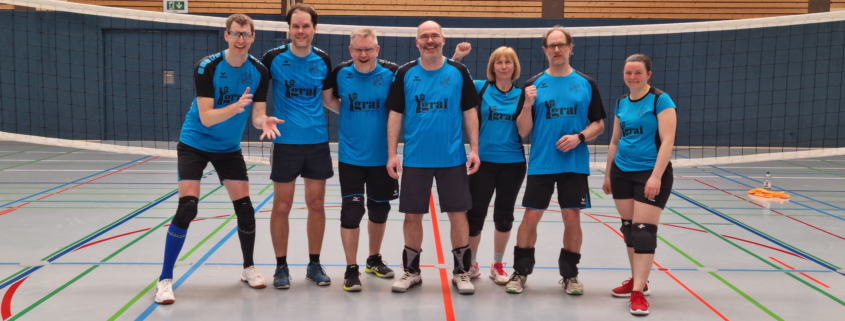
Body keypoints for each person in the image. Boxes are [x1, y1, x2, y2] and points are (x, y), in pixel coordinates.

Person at [154, 13, 281, 304]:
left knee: (246, 209)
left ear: (253, 37)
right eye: (235, 33)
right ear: (226, 35)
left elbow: (258, 112)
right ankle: (165, 279)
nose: (240, 39)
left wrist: (263, 122)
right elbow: (207, 117)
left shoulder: (259, 71)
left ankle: (248, 268)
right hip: (195, 143)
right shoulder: (207, 67)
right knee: (187, 208)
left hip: (227, 148)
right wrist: (235, 108)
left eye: (245, 34)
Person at [506, 25, 606, 295]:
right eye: (552, 46)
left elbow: (599, 124)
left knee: (572, 218)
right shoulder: (532, 84)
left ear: (570, 48)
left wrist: (579, 137)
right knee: (531, 218)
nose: (557, 50)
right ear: (545, 50)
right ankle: (520, 272)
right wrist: (526, 104)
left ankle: (570, 275)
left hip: (574, 164)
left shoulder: (586, 83)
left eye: (562, 45)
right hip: (542, 162)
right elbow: (523, 130)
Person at [385, 20, 481, 294]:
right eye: (424, 36)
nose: (430, 40)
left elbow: (470, 111)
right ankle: (411, 272)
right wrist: (392, 153)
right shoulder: (405, 73)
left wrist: (474, 149)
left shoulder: (459, 71)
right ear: (417, 42)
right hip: (415, 159)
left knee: (458, 215)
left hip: (452, 159)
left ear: (443, 39)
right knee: (412, 216)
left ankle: (461, 272)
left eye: (434, 36)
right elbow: (395, 114)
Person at [261, 4, 335, 289]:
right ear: (289, 28)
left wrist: (363, 114)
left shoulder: (323, 60)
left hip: (316, 142)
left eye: (306, 26)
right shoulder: (273, 58)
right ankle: (281, 267)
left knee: (316, 205)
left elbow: (329, 100)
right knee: (282, 206)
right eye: (296, 26)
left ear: (314, 28)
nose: (301, 31)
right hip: (286, 144)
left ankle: (314, 264)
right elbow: (256, 92)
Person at [322, 27, 399, 292]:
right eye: (359, 49)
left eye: (369, 49)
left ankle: (373, 260)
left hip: (382, 158)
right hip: (351, 157)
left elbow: (399, 108)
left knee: (380, 210)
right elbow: (328, 98)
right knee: (352, 212)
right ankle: (351, 268)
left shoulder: (392, 74)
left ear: (377, 49)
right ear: (350, 50)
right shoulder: (341, 73)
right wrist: (347, 112)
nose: (363, 54)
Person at [602, 53, 676, 316]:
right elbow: (614, 141)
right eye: (628, 73)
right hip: (622, 171)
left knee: (643, 231)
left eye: (637, 73)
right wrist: (609, 173)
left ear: (648, 75)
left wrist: (656, 176)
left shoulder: (660, 99)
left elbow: (667, 141)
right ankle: (638, 282)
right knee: (629, 230)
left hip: (650, 172)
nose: (632, 77)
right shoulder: (621, 102)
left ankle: (637, 293)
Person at [453, 45, 527, 285]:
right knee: (475, 216)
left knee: (504, 217)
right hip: (482, 163)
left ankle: (497, 264)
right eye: (499, 62)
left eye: (508, 62)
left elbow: (526, 130)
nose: (504, 66)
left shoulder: (524, 95)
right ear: (492, 67)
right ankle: (472, 264)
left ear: (515, 66)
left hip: (513, 164)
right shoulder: (479, 88)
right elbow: (454, 77)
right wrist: (457, 57)